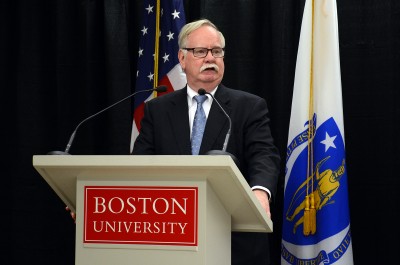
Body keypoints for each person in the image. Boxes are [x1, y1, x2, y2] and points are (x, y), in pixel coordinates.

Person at [131, 18, 280, 265]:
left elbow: (264, 155)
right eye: (200, 51)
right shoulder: (157, 110)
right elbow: (140, 166)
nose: (210, 58)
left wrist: (260, 192)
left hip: (232, 238)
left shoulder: (249, 106)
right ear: (181, 58)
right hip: (171, 237)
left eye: (217, 51)